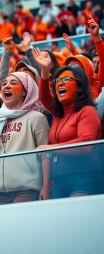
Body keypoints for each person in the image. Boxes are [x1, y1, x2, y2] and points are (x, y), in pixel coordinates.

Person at [34, 50, 102, 198]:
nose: (60, 84)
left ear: (79, 87)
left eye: (66, 80)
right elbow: (44, 96)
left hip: (84, 177)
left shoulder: (87, 111)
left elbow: (85, 144)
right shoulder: (59, 113)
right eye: (57, 81)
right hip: (58, 180)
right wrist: (45, 70)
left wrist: (50, 147)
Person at [0, 72, 51, 204]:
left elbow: (46, 155)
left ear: (25, 91)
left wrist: (46, 186)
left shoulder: (36, 117)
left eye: (13, 83)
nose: (7, 86)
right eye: (5, 84)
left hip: (27, 188)